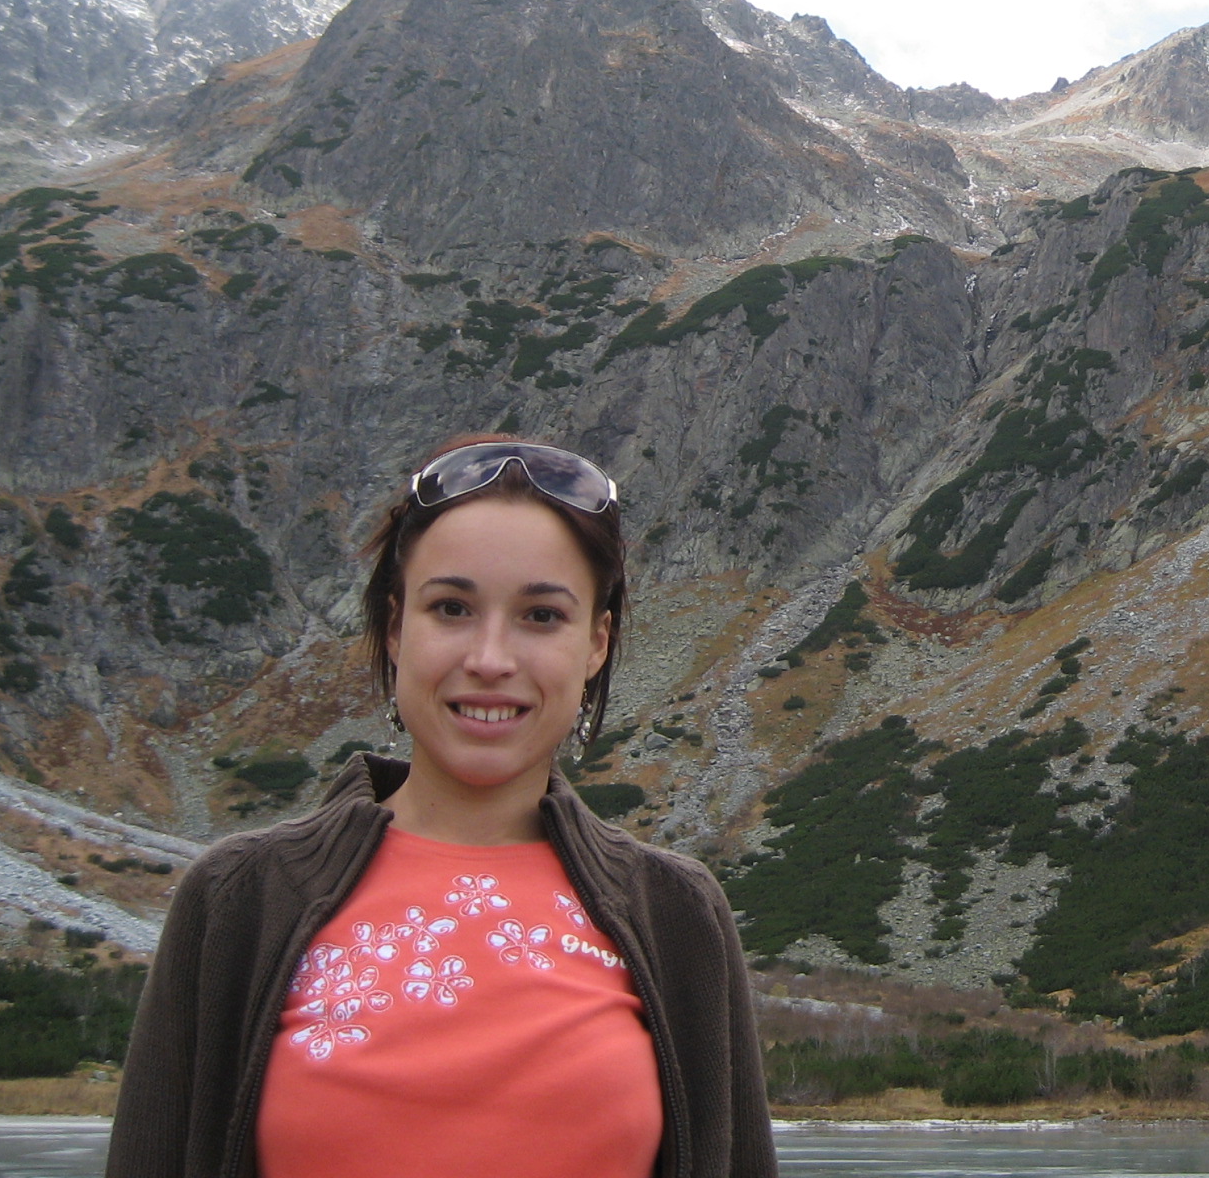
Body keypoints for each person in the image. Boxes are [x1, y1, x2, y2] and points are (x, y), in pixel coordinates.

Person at [107, 437, 775, 1178]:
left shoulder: (677, 915)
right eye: (452, 608)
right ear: (396, 629)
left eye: (541, 616)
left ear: (597, 642)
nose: (489, 659)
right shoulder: (239, 899)